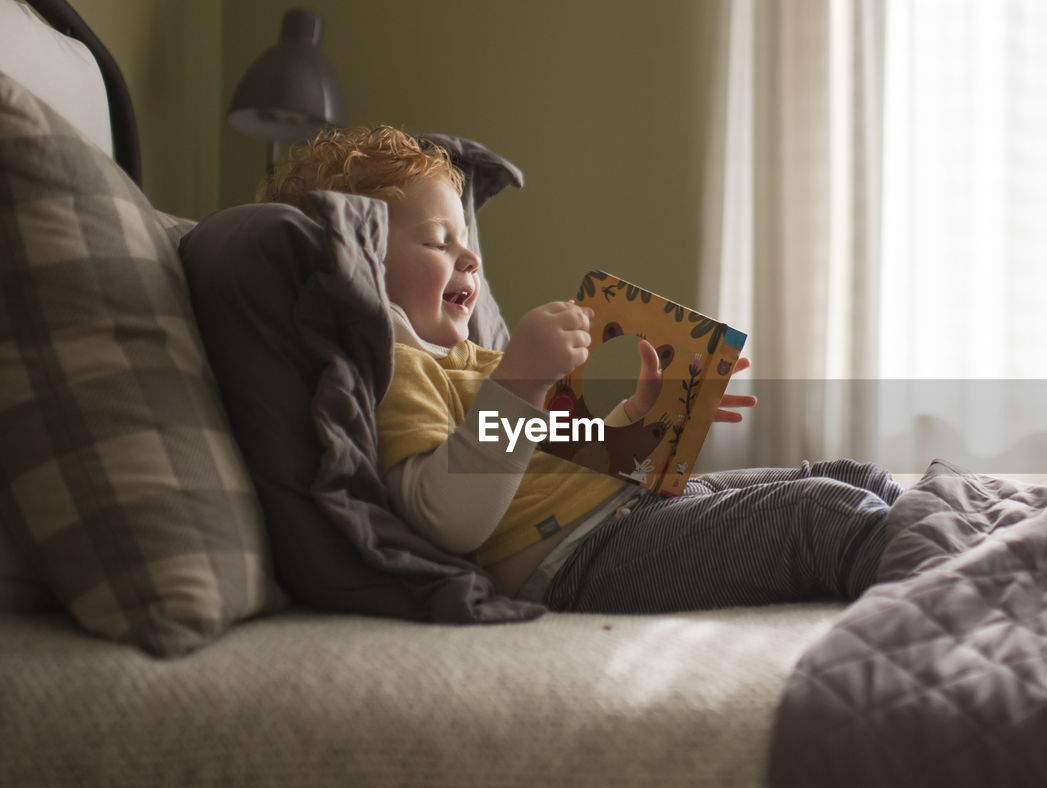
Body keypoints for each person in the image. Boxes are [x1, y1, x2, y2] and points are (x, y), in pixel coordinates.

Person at [260, 125, 903, 613]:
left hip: (625, 508)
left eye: (467, 242)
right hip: (578, 557)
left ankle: (958, 537)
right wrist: (520, 385)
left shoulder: (476, 360)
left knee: (848, 474)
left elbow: (575, 452)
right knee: (821, 515)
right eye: (436, 242)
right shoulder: (398, 367)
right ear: (365, 263)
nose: (469, 260)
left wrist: (641, 418)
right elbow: (447, 520)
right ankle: (964, 578)